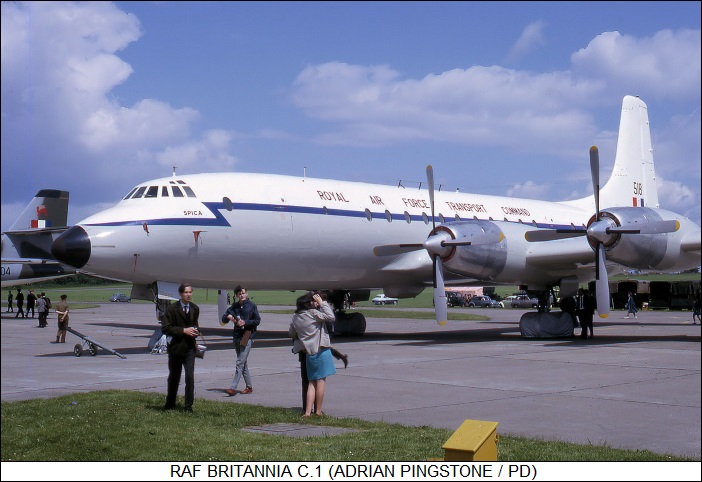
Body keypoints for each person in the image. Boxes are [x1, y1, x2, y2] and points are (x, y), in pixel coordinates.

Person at [289, 291, 337, 417]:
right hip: (321, 350)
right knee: (321, 381)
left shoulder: (295, 317)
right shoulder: (313, 313)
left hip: (308, 352)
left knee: (311, 382)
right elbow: (331, 317)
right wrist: (323, 303)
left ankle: (307, 412)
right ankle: (318, 411)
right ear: (308, 304)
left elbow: (292, 334)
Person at [161, 283, 200, 413]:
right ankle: (170, 403)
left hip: (189, 348)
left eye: (190, 292)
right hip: (176, 348)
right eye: (186, 292)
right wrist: (184, 330)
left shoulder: (195, 308)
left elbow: (195, 325)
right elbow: (166, 328)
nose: (188, 295)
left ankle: (188, 406)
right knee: (174, 377)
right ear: (180, 294)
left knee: (190, 376)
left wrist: (196, 331)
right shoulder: (172, 309)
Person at [222, 285, 260, 396]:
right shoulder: (234, 306)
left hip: (247, 336)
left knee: (239, 362)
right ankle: (249, 387)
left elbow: (257, 320)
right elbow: (224, 317)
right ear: (237, 295)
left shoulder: (252, 306)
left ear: (246, 293)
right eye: (239, 294)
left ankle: (232, 388)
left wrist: (246, 323)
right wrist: (228, 317)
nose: (242, 295)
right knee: (243, 363)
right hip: (236, 336)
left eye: (243, 293)